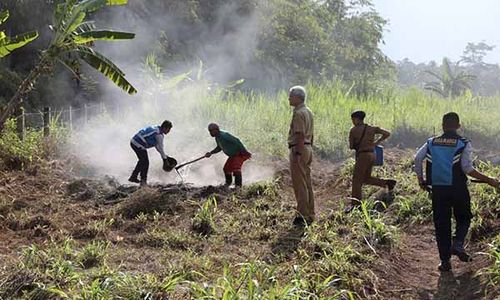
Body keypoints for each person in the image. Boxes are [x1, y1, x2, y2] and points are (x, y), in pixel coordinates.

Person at [414, 112, 499, 272]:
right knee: (464, 217)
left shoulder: (431, 142)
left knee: (441, 224)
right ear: (458, 126)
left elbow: (418, 159)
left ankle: (445, 262)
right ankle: (458, 243)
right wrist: (489, 179)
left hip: (438, 189)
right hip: (458, 187)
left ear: (442, 126)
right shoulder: (463, 143)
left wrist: (421, 180)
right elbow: (467, 168)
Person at [345, 111, 397, 213]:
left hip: (363, 155)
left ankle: (355, 206)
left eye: (353, 119)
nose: (352, 122)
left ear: (356, 119)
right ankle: (387, 183)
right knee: (366, 178)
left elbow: (351, 146)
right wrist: (376, 142)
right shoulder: (372, 128)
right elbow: (387, 133)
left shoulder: (354, 130)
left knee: (356, 181)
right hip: (372, 154)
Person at [288, 86, 315, 227]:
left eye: (290, 96)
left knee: (300, 184)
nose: (289, 98)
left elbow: (299, 134)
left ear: (297, 97)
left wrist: (298, 153)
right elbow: (310, 134)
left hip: (299, 148)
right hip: (307, 147)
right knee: (307, 181)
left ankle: (302, 215)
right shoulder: (308, 111)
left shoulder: (298, 113)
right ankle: (310, 213)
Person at [205, 123, 251, 188]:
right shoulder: (217, 138)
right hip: (233, 155)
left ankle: (238, 186)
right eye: (209, 131)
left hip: (239, 153)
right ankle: (228, 183)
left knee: (236, 168)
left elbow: (236, 141)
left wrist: (243, 151)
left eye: (211, 130)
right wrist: (211, 153)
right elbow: (219, 148)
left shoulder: (224, 135)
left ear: (216, 129)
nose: (210, 133)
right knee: (226, 169)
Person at [129, 120, 173, 186]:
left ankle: (134, 177)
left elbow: (158, 147)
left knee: (142, 160)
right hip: (138, 143)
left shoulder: (157, 129)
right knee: (145, 162)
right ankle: (142, 181)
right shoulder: (159, 135)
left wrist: (164, 156)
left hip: (134, 141)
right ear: (165, 128)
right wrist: (165, 159)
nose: (169, 131)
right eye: (169, 129)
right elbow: (160, 148)